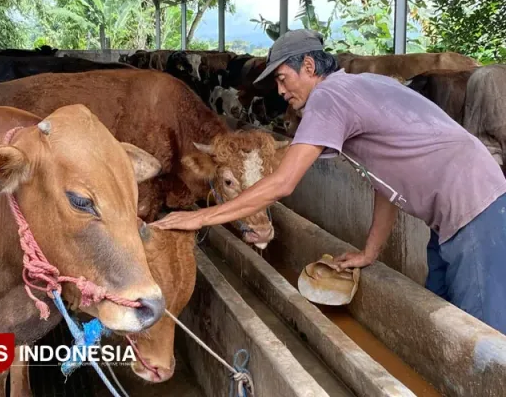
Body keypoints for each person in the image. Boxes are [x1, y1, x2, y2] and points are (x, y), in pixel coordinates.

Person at [152, 29, 506, 334]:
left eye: (283, 78)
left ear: (308, 66)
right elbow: (386, 183)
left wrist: (200, 217)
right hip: (458, 207)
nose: (280, 91)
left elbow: (283, 183)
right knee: (444, 314)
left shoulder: (327, 98)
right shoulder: (363, 84)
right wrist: (370, 252)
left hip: (473, 207)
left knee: (482, 331)